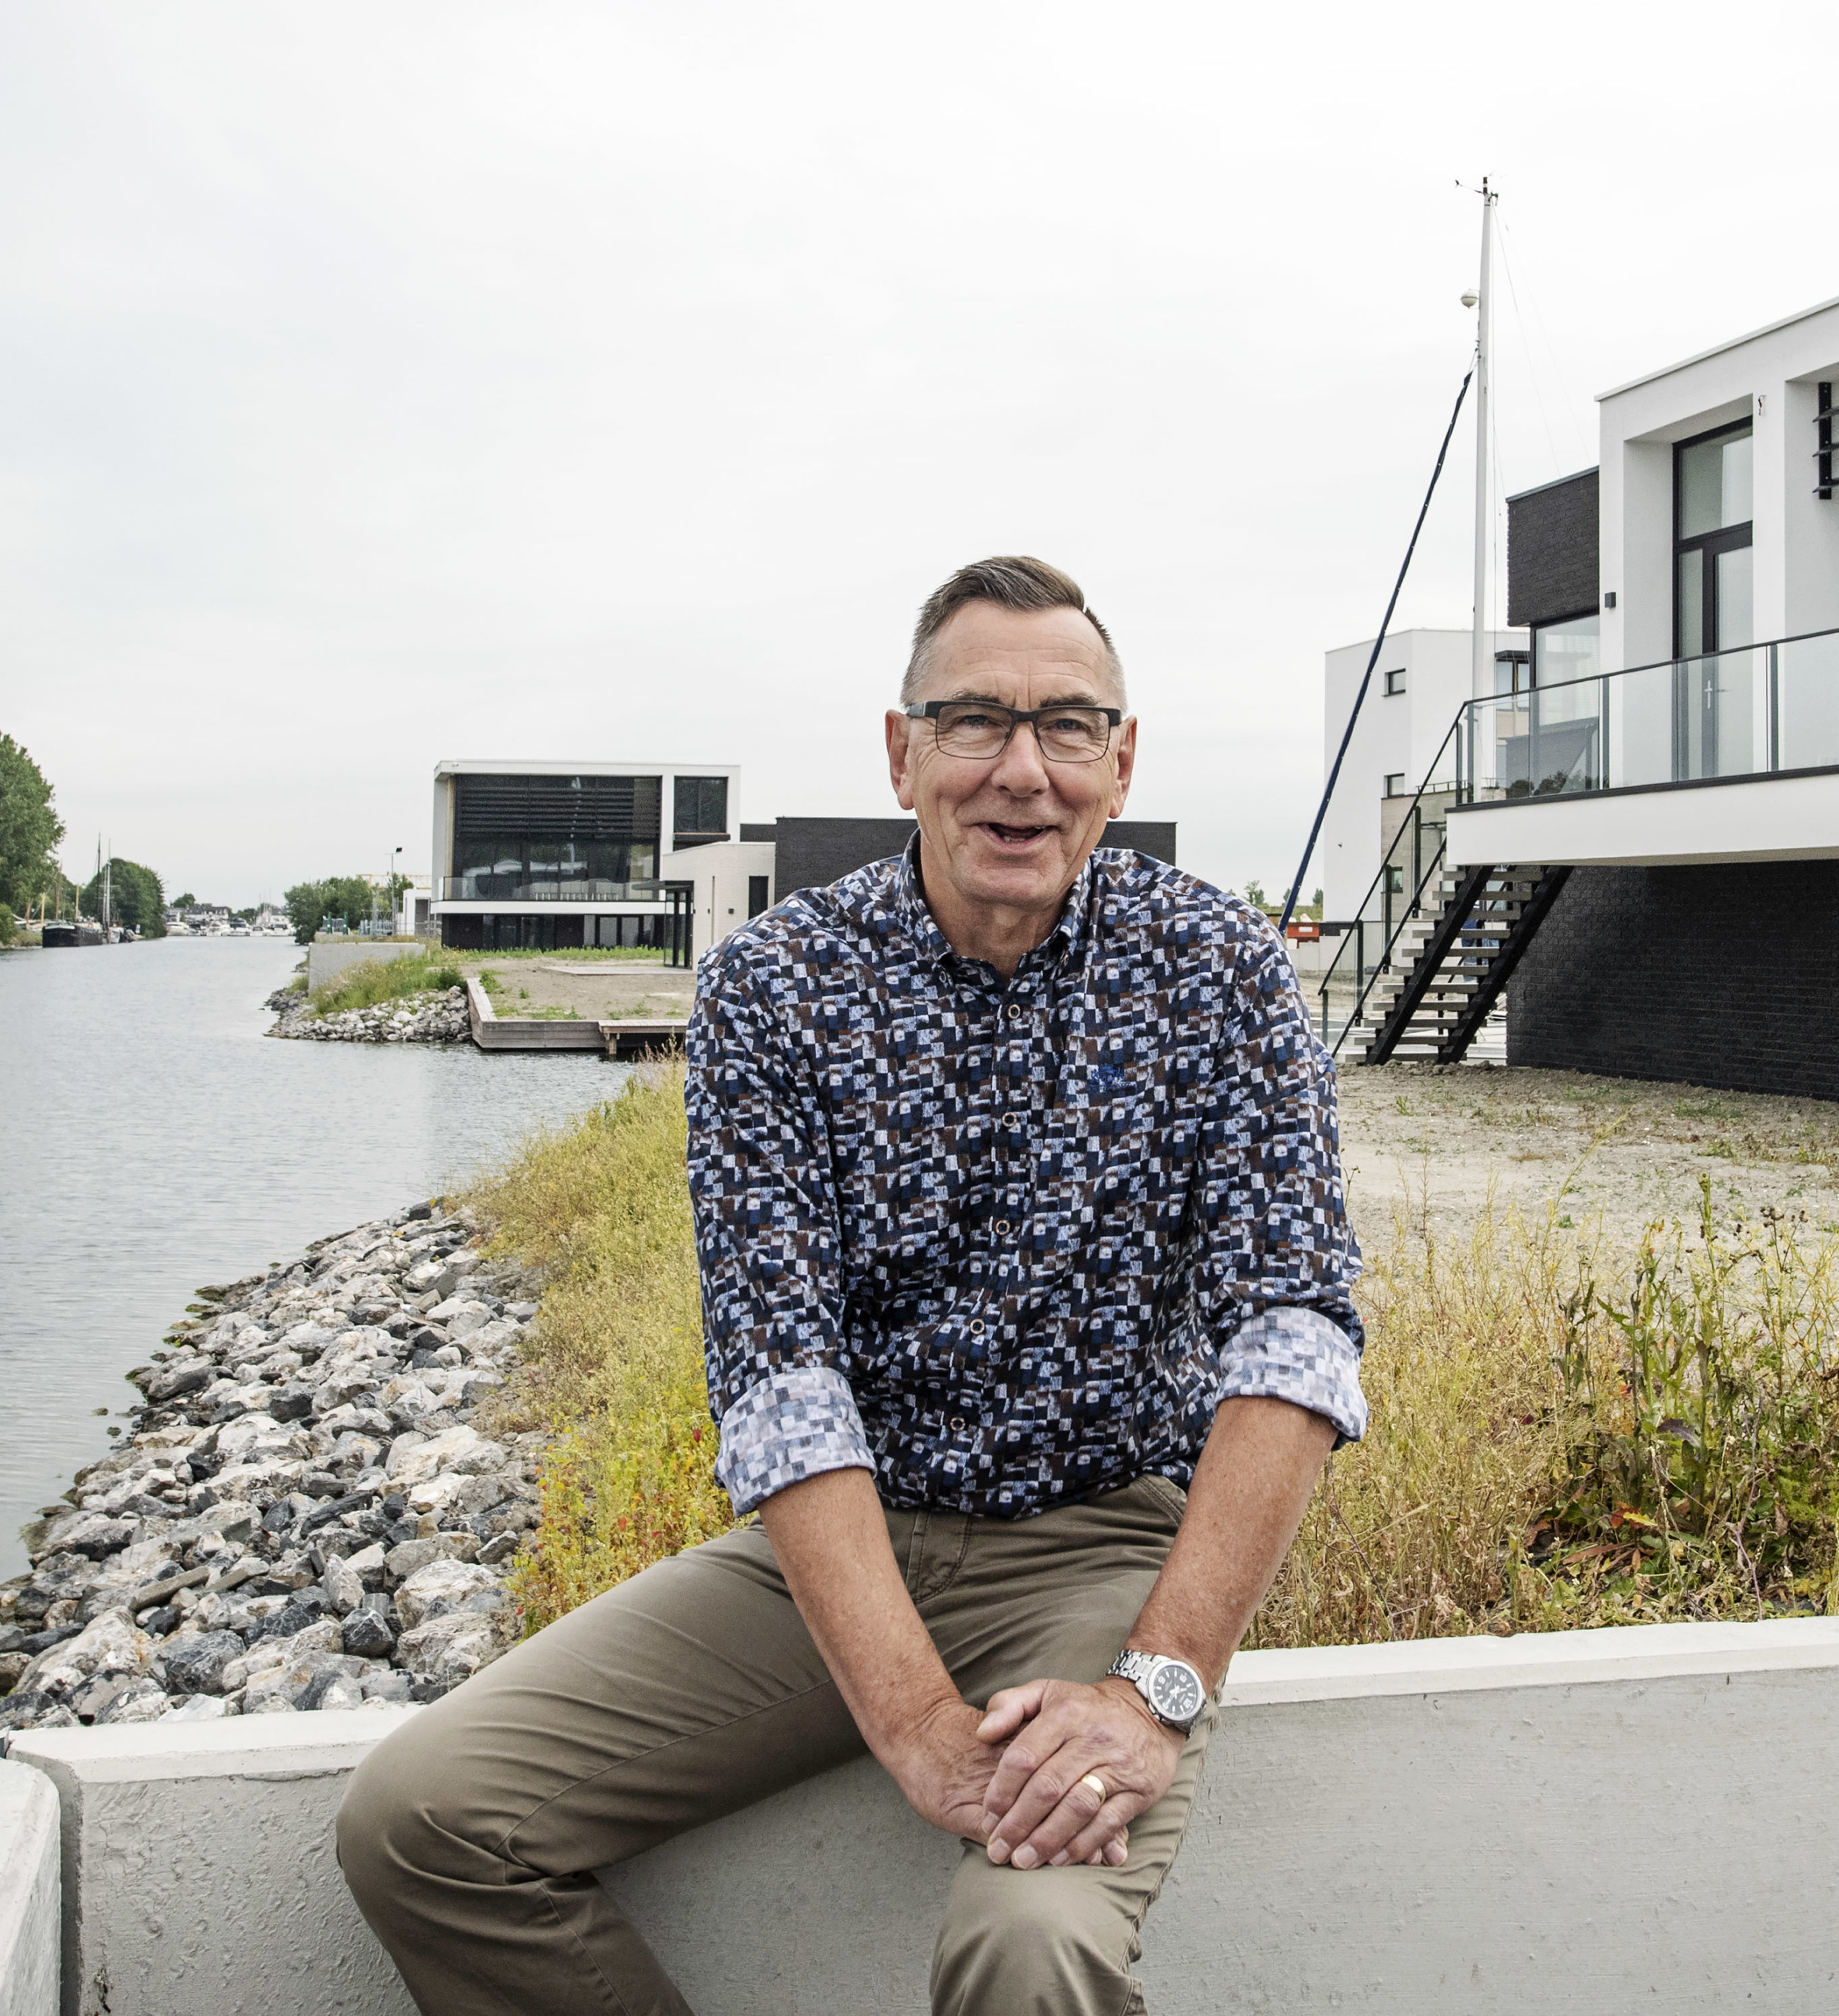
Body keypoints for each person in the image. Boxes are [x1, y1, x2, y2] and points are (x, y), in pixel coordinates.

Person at [337, 556, 1367, 2015]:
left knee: (1026, 1948)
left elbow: (1295, 1337)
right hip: (834, 1556)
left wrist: (1155, 1689)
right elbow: (783, 1383)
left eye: (1069, 726)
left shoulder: (1220, 973)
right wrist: (913, 1721)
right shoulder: (776, 988)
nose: (1022, 770)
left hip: (1098, 1556)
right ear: (901, 753)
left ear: (1121, 760)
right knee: (427, 1820)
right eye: (974, 722)